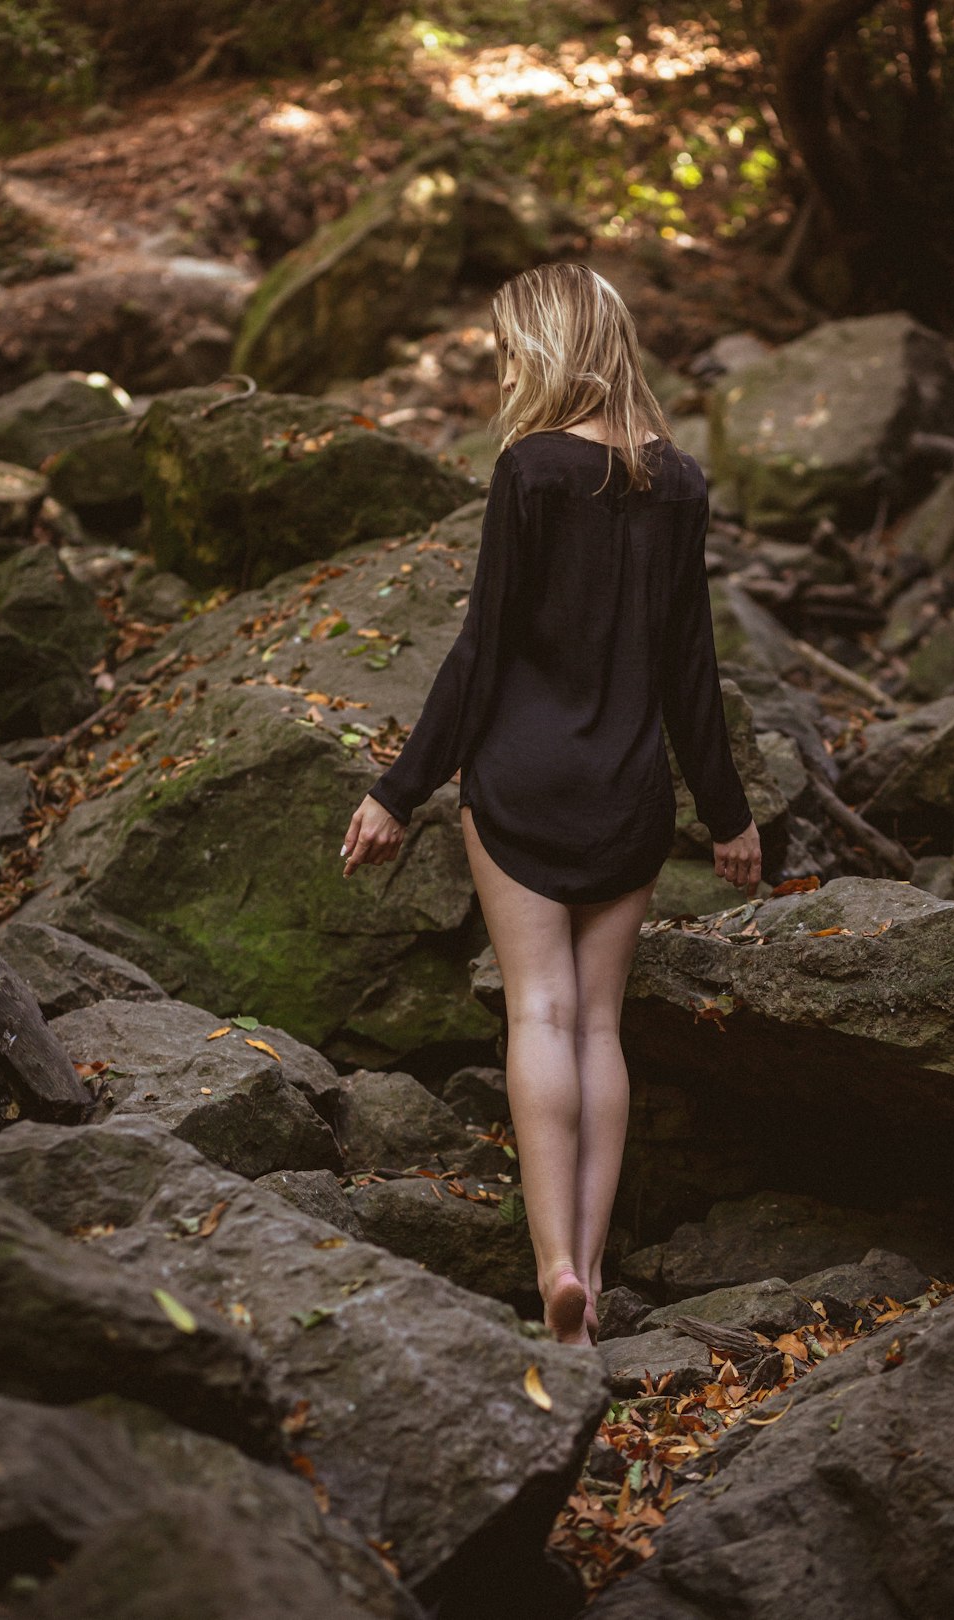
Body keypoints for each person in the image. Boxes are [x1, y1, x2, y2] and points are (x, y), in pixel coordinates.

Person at [340, 263, 761, 1348]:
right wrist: (729, 815)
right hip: (627, 785)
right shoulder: (680, 483)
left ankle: (554, 1276)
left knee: (539, 1014)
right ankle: (596, 1260)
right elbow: (690, 671)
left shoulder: (529, 471)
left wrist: (399, 789)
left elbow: (482, 654)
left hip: (522, 776)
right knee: (602, 1027)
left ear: (544, 344)